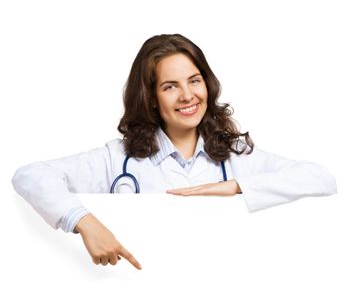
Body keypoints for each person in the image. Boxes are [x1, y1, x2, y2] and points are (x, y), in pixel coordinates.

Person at [11, 33, 337, 270]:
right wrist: (84, 221)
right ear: (151, 97)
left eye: (194, 81)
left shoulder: (236, 156)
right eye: (170, 87)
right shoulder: (117, 158)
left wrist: (236, 186)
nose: (187, 96)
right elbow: (30, 175)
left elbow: (321, 179)